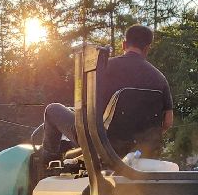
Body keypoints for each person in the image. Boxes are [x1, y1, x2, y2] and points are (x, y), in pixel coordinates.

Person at [37, 24, 174, 172]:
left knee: (52, 109)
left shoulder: (102, 68)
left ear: (124, 44)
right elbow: (167, 122)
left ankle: (48, 164)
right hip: (138, 151)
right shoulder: (160, 78)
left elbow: (84, 108)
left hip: (100, 142)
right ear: (147, 48)